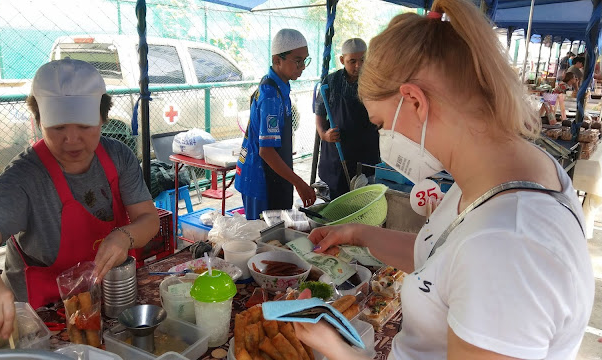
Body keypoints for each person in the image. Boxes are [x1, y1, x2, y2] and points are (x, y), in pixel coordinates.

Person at [292, 1, 594, 359]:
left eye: (381, 124)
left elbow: (478, 259)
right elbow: (439, 259)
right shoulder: (494, 175)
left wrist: (337, 349)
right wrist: (360, 234)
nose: (383, 138)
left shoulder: (507, 247)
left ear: (415, 101)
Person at [0, 58, 160, 343]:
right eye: (57, 128)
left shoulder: (118, 156)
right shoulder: (25, 177)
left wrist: (124, 236)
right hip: (38, 316)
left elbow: (149, 219)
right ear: (39, 120)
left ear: (102, 117)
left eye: (84, 125)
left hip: (105, 299)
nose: (72, 139)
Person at [236, 29, 316, 220]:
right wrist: (300, 183)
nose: (303, 67)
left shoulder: (281, 86)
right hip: (260, 179)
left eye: (305, 60)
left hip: (272, 175)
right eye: (298, 61)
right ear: (277, 60)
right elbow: (266, 151)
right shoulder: (271, 96)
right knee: (263, 235)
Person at [315, 38, 380, 200]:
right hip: (336, 154)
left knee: (363, 200)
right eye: (352, 61)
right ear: (342, 60)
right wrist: (324, 134)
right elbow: (319, 112)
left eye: (362, 60)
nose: (358, 65)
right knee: (335, 203)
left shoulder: (374, 82)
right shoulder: (330, 82)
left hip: (366, 153)